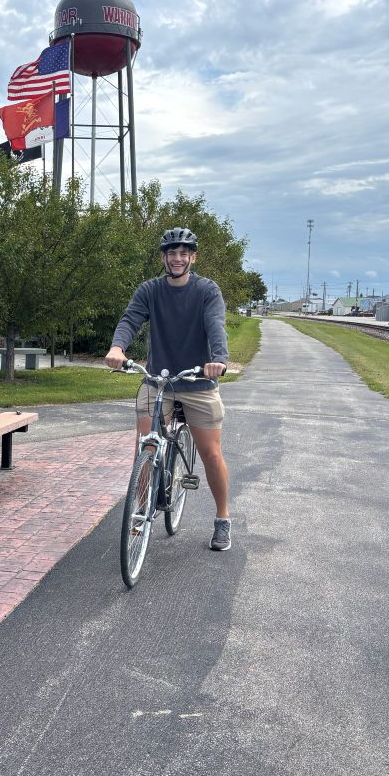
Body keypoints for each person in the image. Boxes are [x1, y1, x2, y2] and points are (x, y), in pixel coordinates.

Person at [104, 227, 232, 551]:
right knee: (146, 447)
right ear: (164, 257)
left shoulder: (207, 291)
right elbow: (130, 320)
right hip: (158, 381)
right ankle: (141, 509)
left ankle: (222, 519)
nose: (177, 258)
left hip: (197, 382)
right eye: (171, 253)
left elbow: (216, 327)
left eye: (183, 253)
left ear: (192, 257)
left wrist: (218, 360)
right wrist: (118, 348)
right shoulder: (150, 290)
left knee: (210, 453)